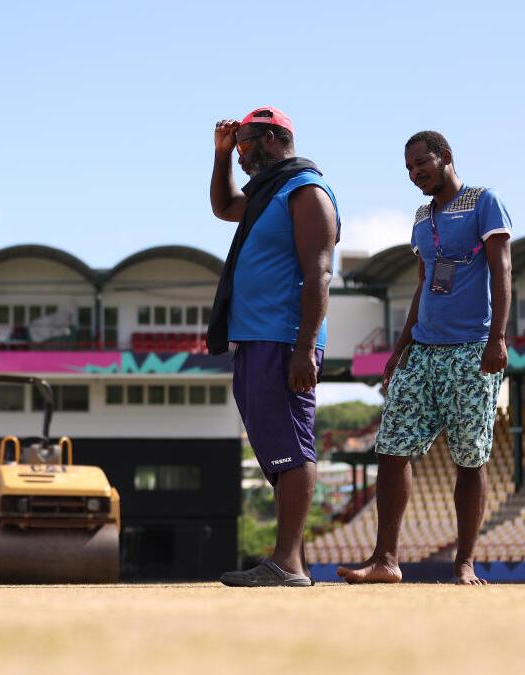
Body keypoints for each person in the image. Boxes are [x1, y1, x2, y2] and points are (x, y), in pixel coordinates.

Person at [338, 131, 512, 586]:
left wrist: (497, 337)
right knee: (392, 448)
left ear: (446, 157)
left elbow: (502, 268)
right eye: (409, 169)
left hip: (472, 349)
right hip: (423, 350)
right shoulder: (421, 217)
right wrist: (400, 347)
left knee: (470, 458)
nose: (416, 174)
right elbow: (423, 282)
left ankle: (464, 564)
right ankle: (385, 560)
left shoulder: (483, 202)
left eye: (422, 164)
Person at [208, 106, 340, 586]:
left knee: (294, 446)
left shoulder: (305, 191)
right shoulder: (266, 194)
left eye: (244, 145)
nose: (240, 154)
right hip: (253, 338)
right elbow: (223, 207)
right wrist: (220, 155)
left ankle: (286, 564)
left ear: (271, 139)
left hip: (285, 340)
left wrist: (305, 348)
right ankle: (290, 562)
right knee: (276, 449)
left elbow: (319, 274)